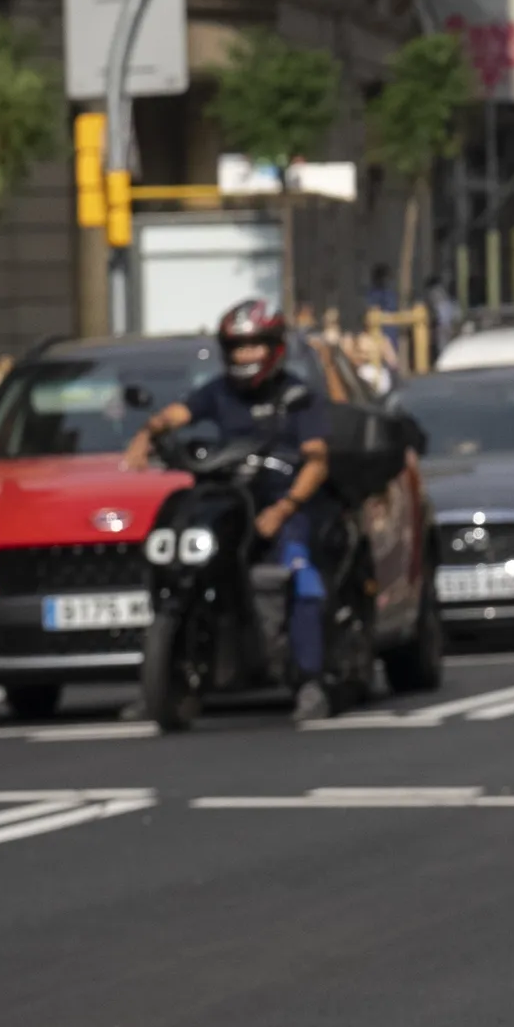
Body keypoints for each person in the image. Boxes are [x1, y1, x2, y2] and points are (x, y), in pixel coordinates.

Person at [121, 300, 339, 716]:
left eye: (254, 346)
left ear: (274, 347)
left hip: (280, 505)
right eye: (237, 347)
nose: (245, 356)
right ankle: (165, 682)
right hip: (228, 500)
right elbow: (178, 413)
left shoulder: (297, 397)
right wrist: (148, 433)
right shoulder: (217, 391)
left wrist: (284, 508)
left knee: (300, 572)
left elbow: (317, 460)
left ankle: (310, 682)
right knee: (174, 559)